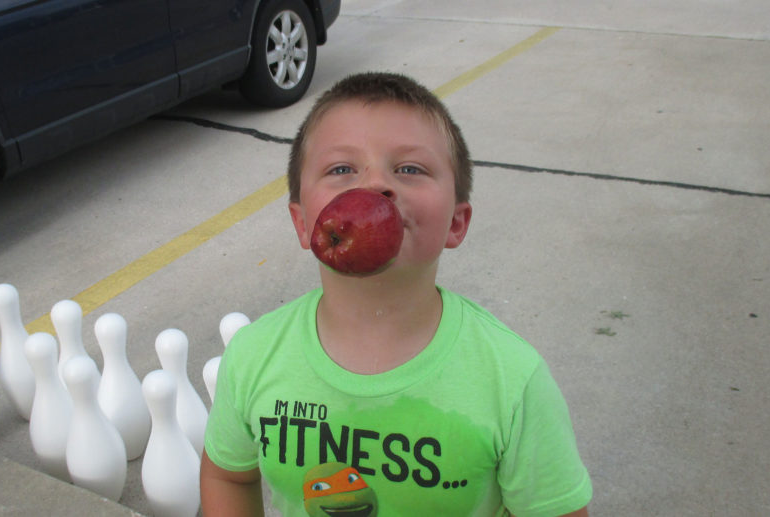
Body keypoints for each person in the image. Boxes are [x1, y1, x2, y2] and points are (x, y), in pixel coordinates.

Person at [201, 72, 592, 517]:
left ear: (456, 223)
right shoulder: (254, 356)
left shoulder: (513, 381)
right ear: (304, 223)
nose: (374, 185)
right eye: (342, 169)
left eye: (409, 169)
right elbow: (227, 475)